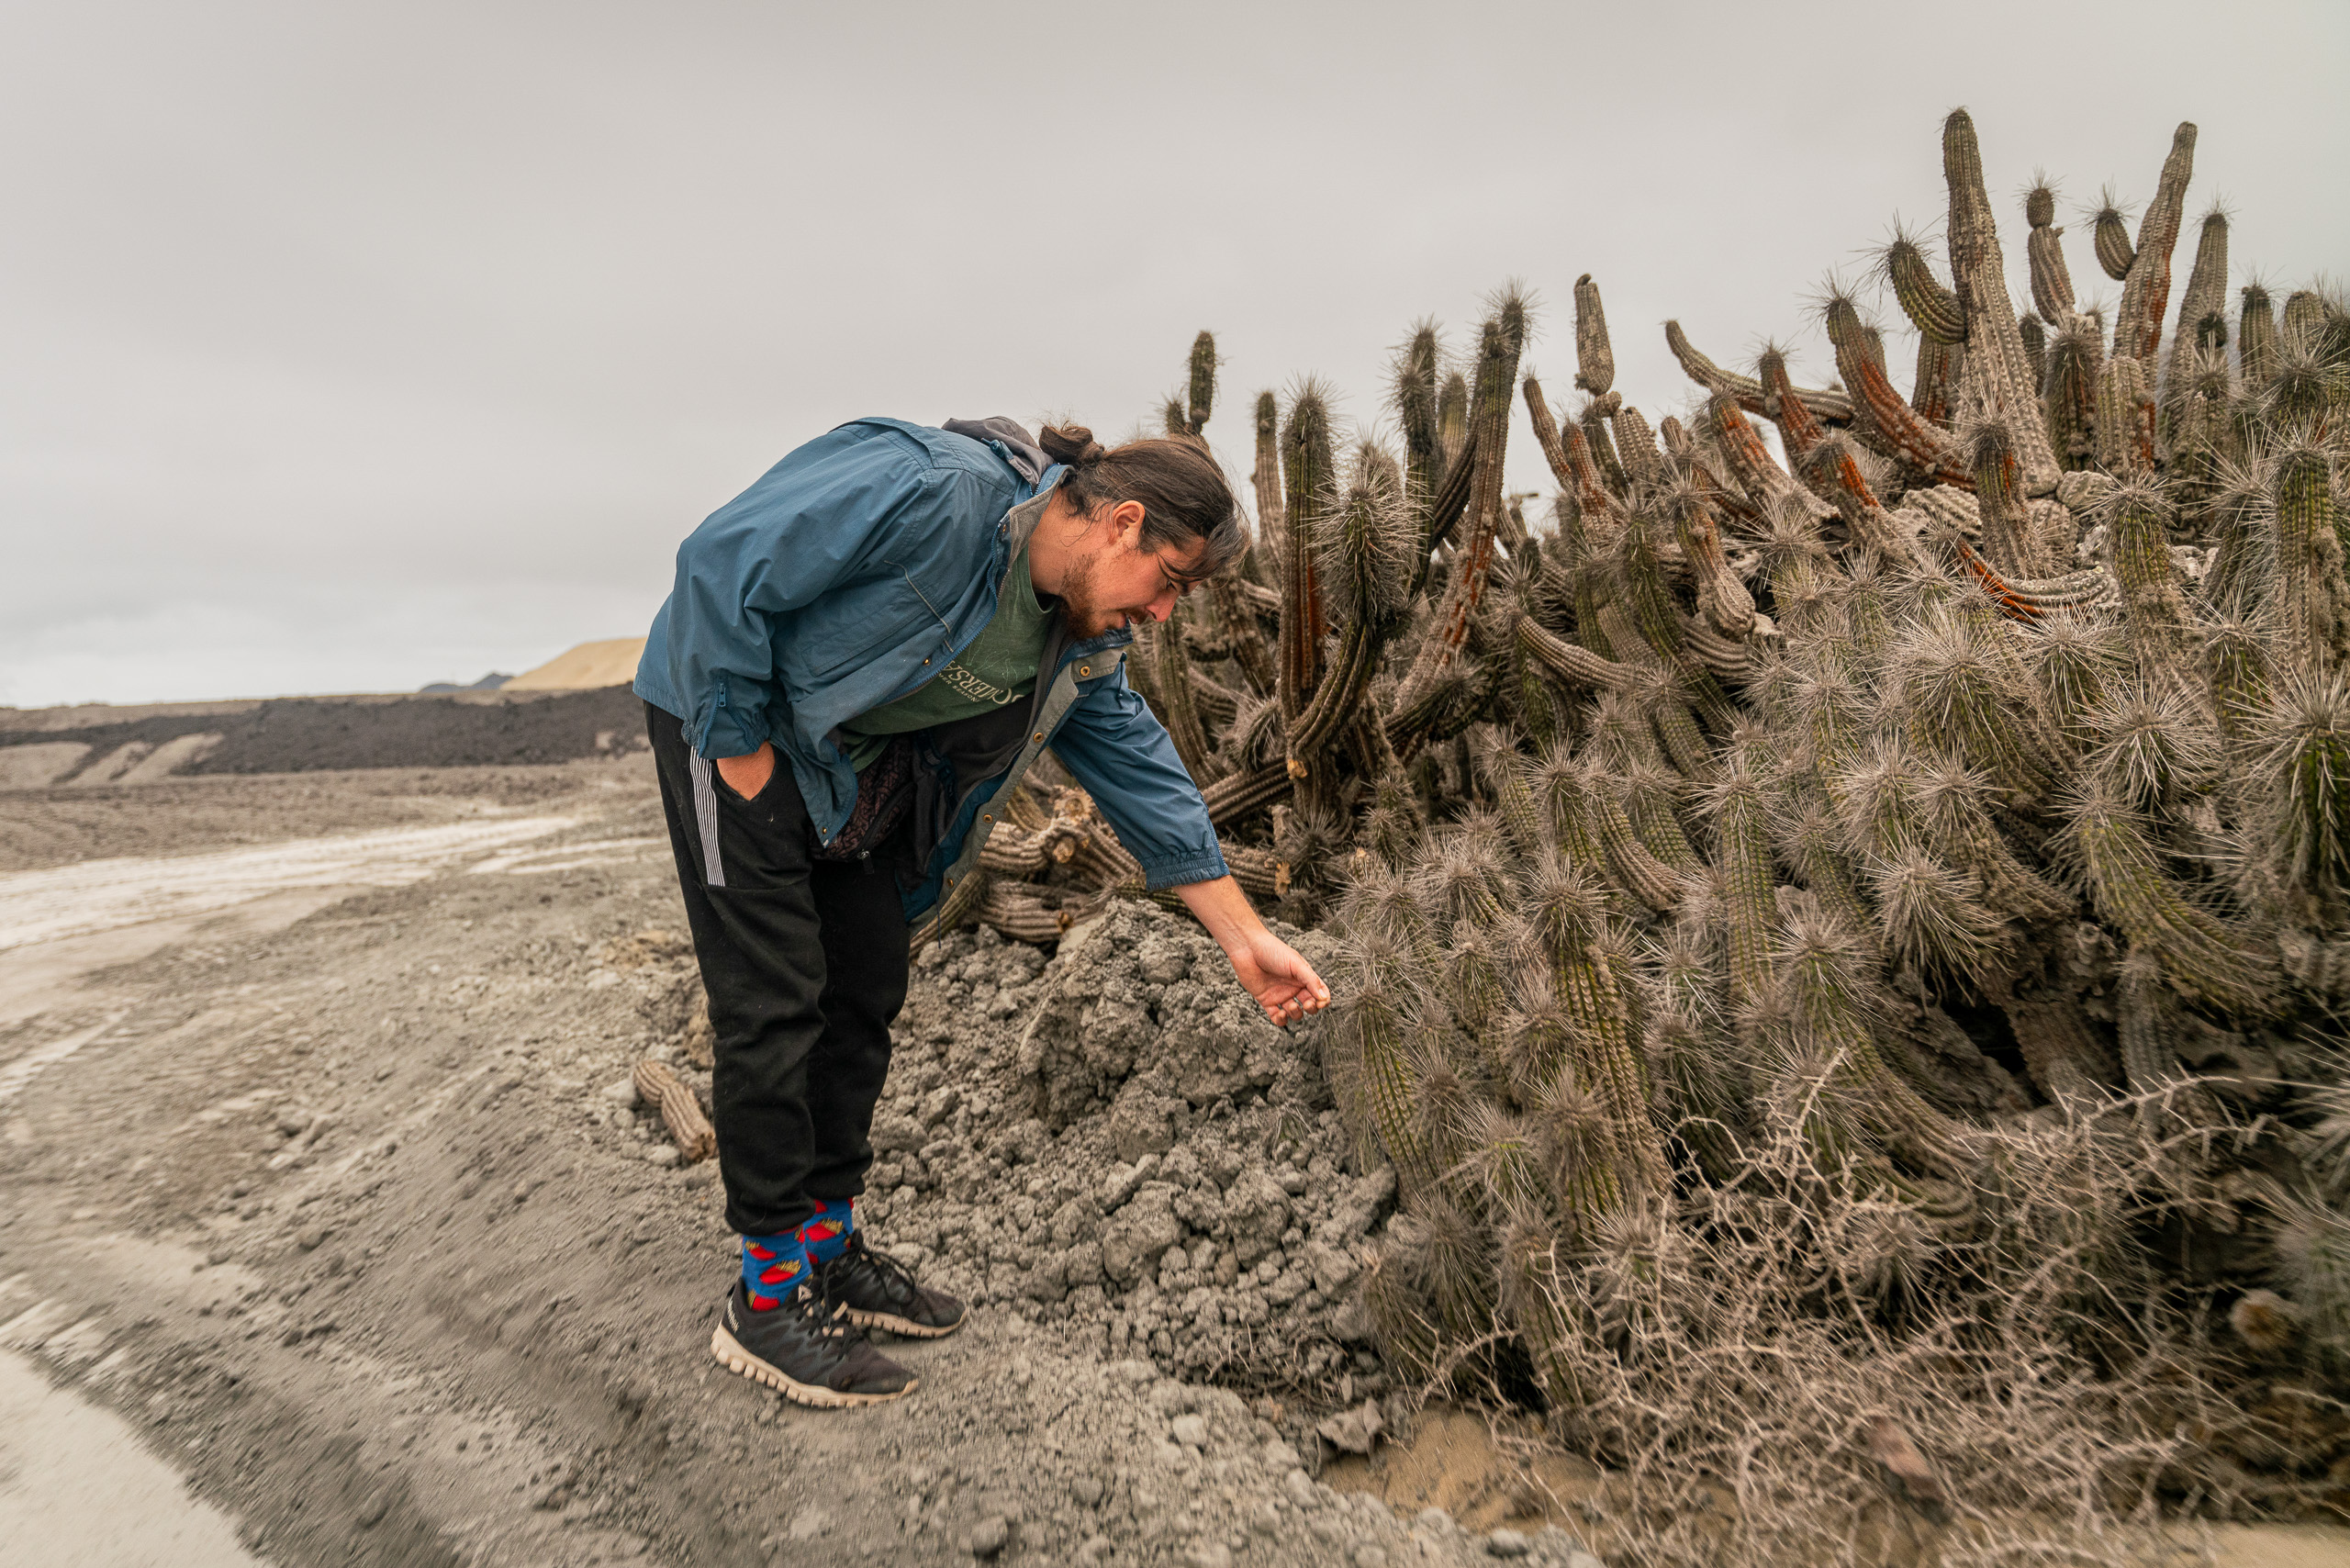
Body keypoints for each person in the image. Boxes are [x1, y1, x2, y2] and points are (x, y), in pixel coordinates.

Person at [634, 415, 1330, 1408]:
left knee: (865, 979)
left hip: (842, 764)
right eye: (1170, 579)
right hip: (721, 716)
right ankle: (769, 1297)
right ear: (1120, 524)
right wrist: (741, 752)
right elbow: (718, 563)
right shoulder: (933, 491)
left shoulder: (1077, 642)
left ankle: (826, 1246)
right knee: (775, 995)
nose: (1166, 613)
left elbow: (1140, 770)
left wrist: (1244, 936)